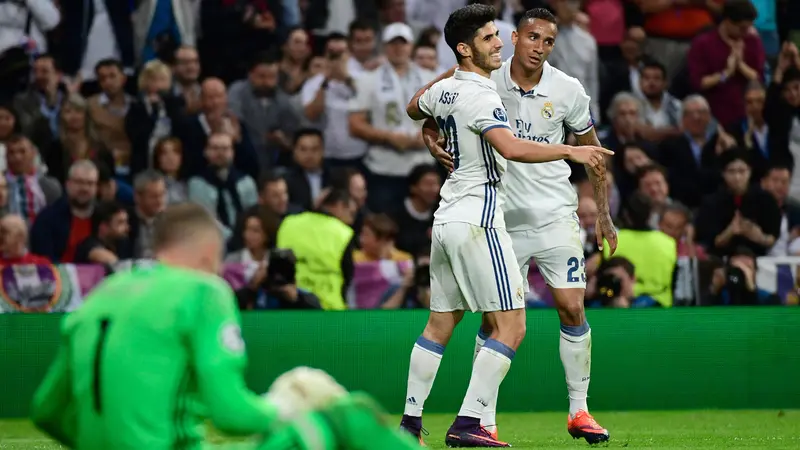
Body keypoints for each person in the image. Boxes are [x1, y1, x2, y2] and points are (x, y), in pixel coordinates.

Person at [400, 4, 612, 447]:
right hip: (487, 219)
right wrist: (570, 152)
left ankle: (411, 424)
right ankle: (472, 422)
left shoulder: (460, 88)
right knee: (509, 325)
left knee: (442, 322)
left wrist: (431, 128)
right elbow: (511, 148)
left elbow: (415, 106)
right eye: (492, 37)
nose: (500, 43)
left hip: (461, 215)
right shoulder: (484, 89)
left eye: (498, 35)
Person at [29, 203, 341, 449]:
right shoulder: (203, 291)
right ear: (209, 255)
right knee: (349, 421)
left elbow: (45, 410)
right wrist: (286, 407)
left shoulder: (101, 295)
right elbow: (232, 415)